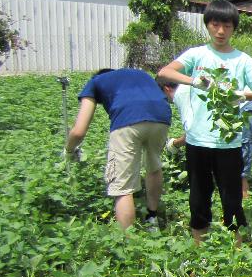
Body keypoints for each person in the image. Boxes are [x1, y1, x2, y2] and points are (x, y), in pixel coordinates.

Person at [156, 0, 252, 242]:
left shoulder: (243, 60)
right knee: (198, 198)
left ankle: (238, 253)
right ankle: (199, 249)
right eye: (215, 24)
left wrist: (244, 94)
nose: (221, 31)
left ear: (234, 28)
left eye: (227, 26)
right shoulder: (196, 55)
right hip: (197, 140)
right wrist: (194, 81)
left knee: (232, 199)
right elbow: (164, 73)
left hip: (228, 142)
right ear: (208, 25)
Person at [65, 68, 172, 230]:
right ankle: (152, 219)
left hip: (127, 119)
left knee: (122, 185)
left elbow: (79, 130)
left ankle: (128, 242)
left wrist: (69, 150)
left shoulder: (95, 82)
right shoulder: (140, 74)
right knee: (154, 166)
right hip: (161, 116)